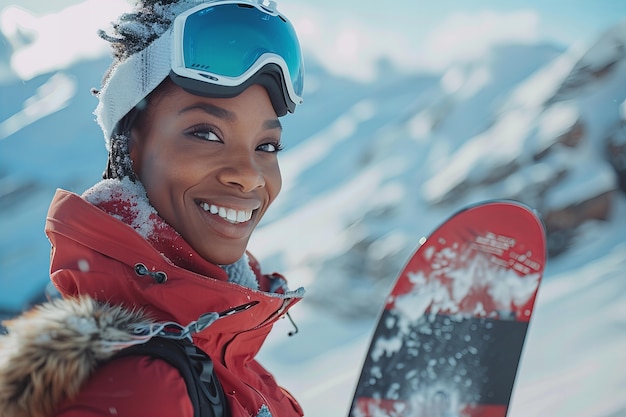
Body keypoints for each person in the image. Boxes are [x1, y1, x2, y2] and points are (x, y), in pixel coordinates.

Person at [0, 0, 306, 416]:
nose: (250, 175)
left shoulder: (224, 355)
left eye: (267, 146)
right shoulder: (143, 389)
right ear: (131, 149)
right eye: (206, 134)